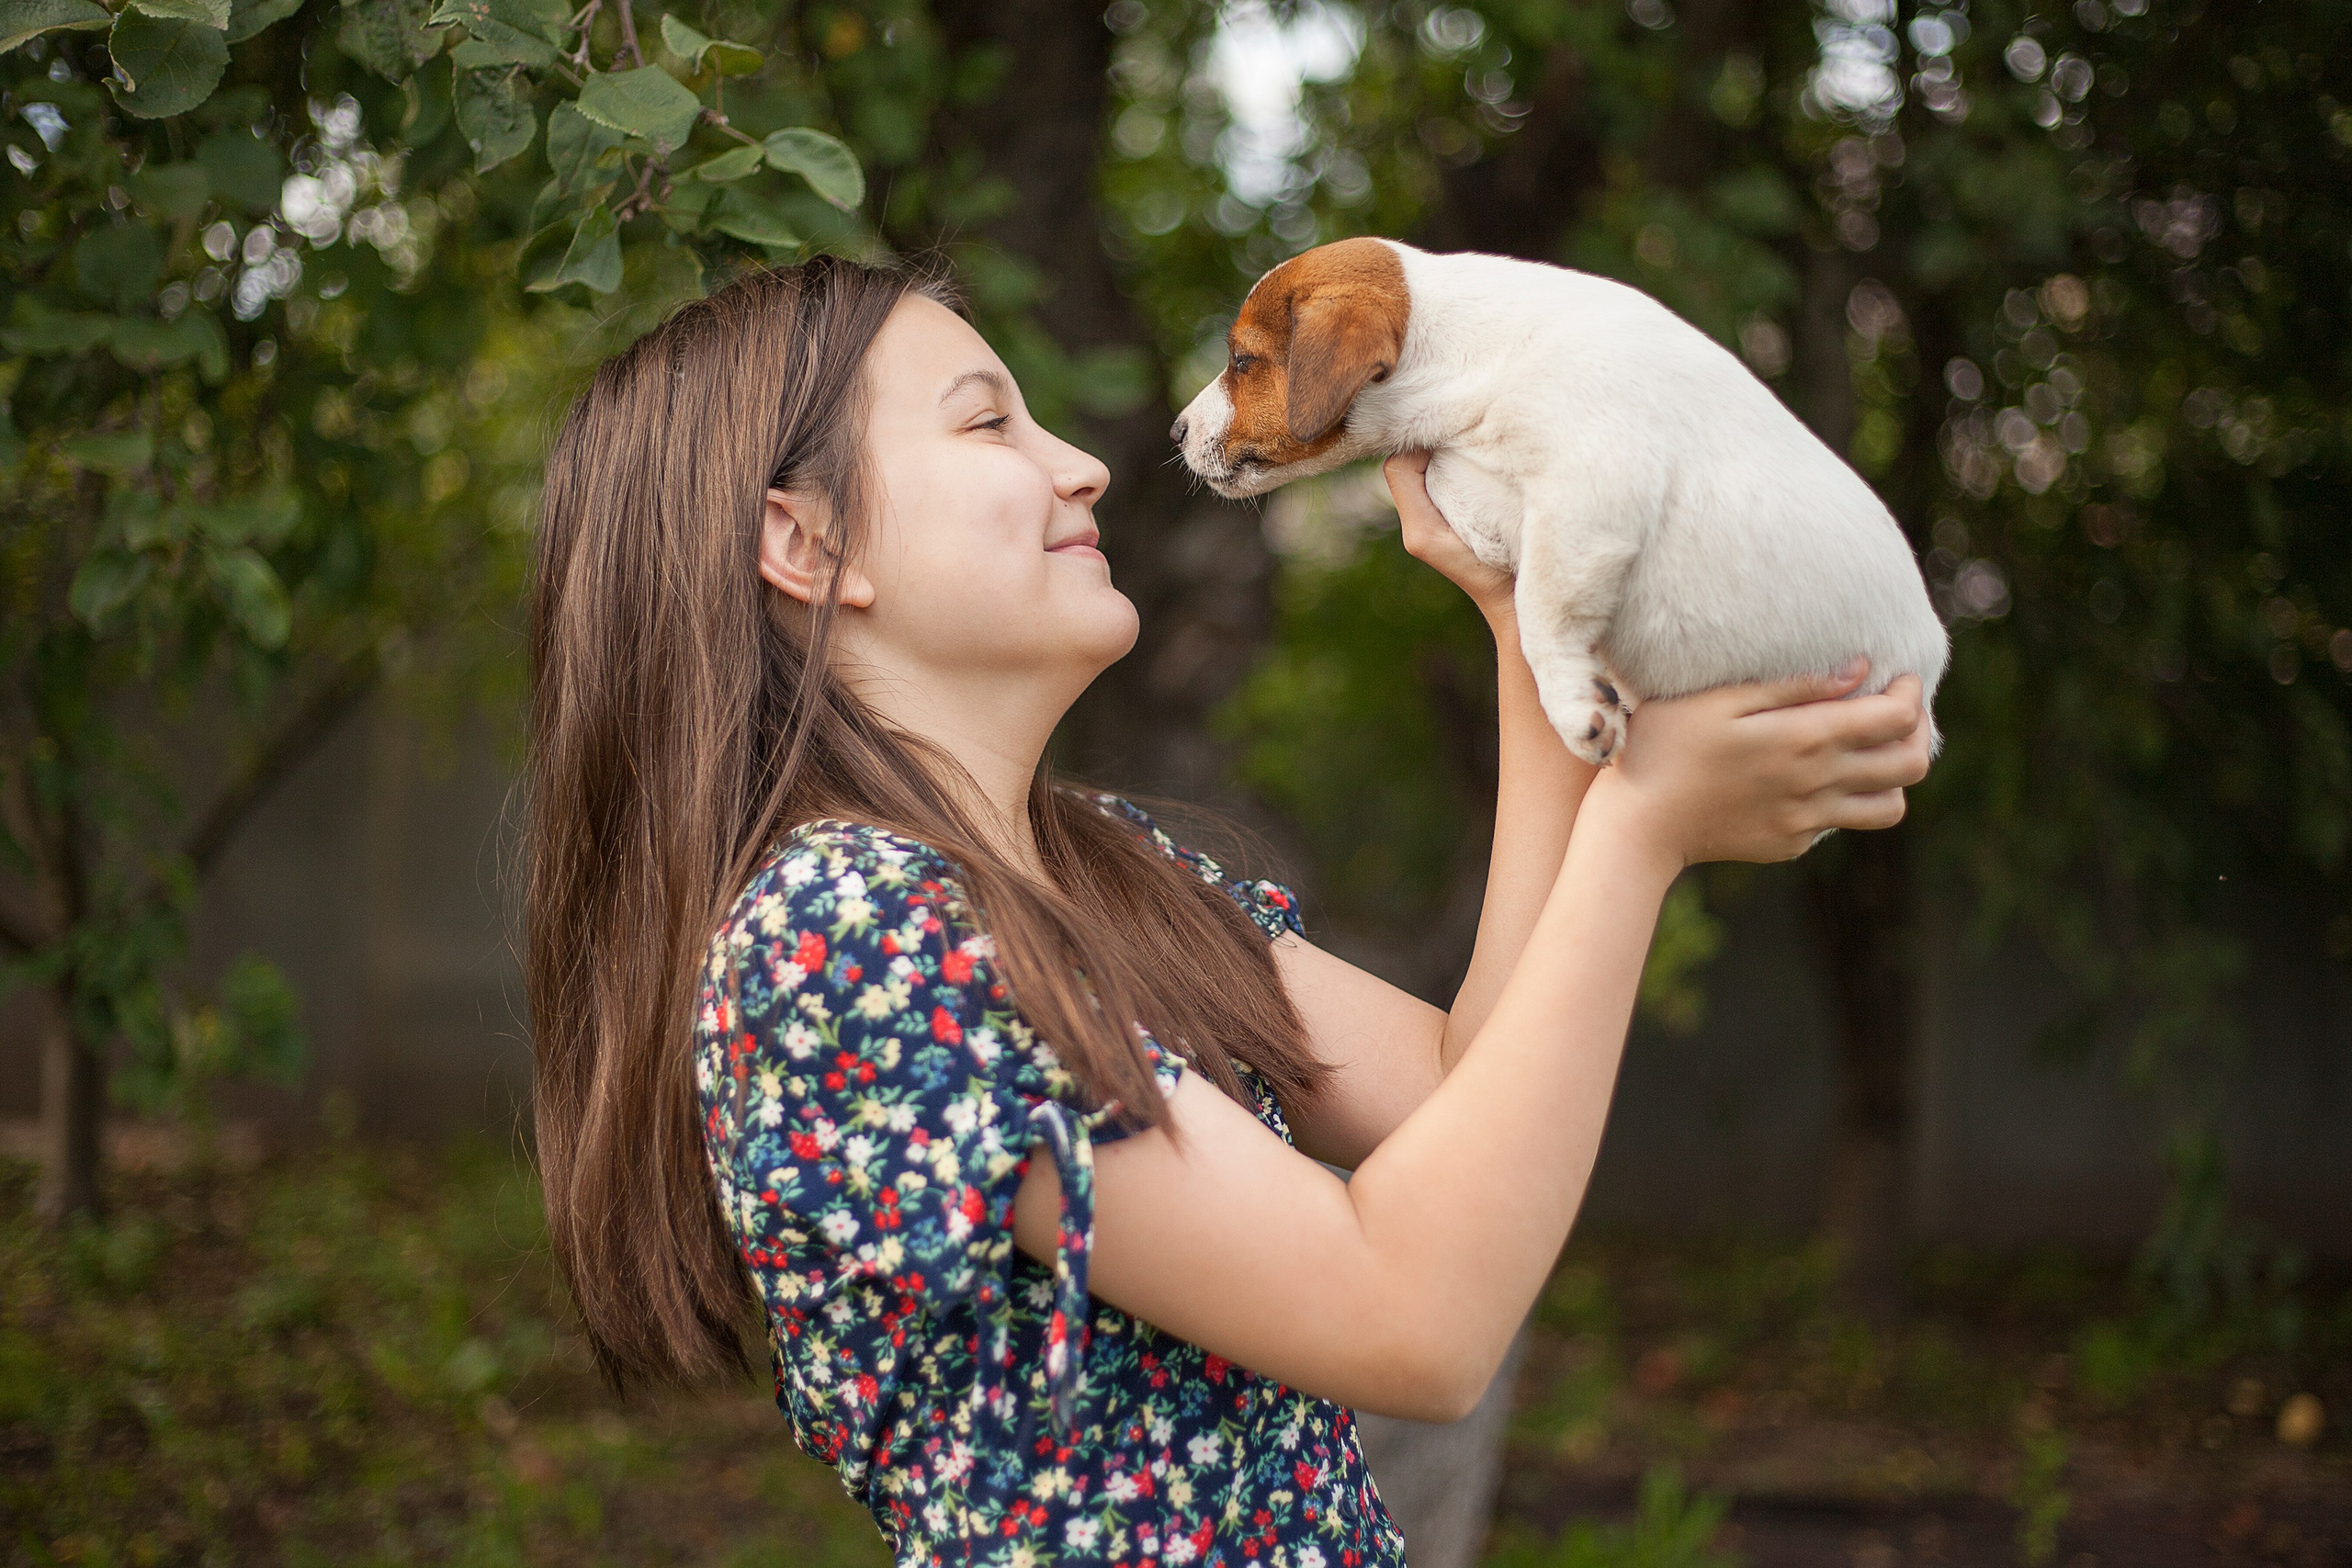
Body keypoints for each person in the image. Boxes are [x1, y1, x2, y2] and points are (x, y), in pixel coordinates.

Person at [522, 254, 1931, 1568]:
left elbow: (1464, 1094)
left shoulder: (1103, 875)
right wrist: (1641, 832)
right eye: (988, 427)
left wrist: (1526, 630)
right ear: (807, 541)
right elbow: (1419, 1323)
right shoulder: (850, 931)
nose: (1080, 465)